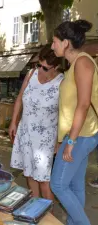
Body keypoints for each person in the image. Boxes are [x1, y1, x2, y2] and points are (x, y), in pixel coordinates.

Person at [50, 20, 98, 225]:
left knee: (58, 185)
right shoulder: (73, 65)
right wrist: (62, 139)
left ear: (66, 43)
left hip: (82, 135)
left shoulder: (83, 62)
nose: (52, 46)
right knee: (75, 184)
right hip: (77, 135)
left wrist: (71, 141)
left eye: (55, 42)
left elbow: (84, 104)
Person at [9, 44, 64, 202]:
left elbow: (64, 113)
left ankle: (49, 216)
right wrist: (13, 122)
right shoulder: (31, 74)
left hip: (46, 137)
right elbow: (20, 98)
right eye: (39, 65)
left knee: (44, 180)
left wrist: (59, 141)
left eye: (45, 68)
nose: (40, 70)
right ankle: (36, 209)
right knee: (29, 174)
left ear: (56, 67)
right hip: (26, 131)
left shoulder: (62, 82)